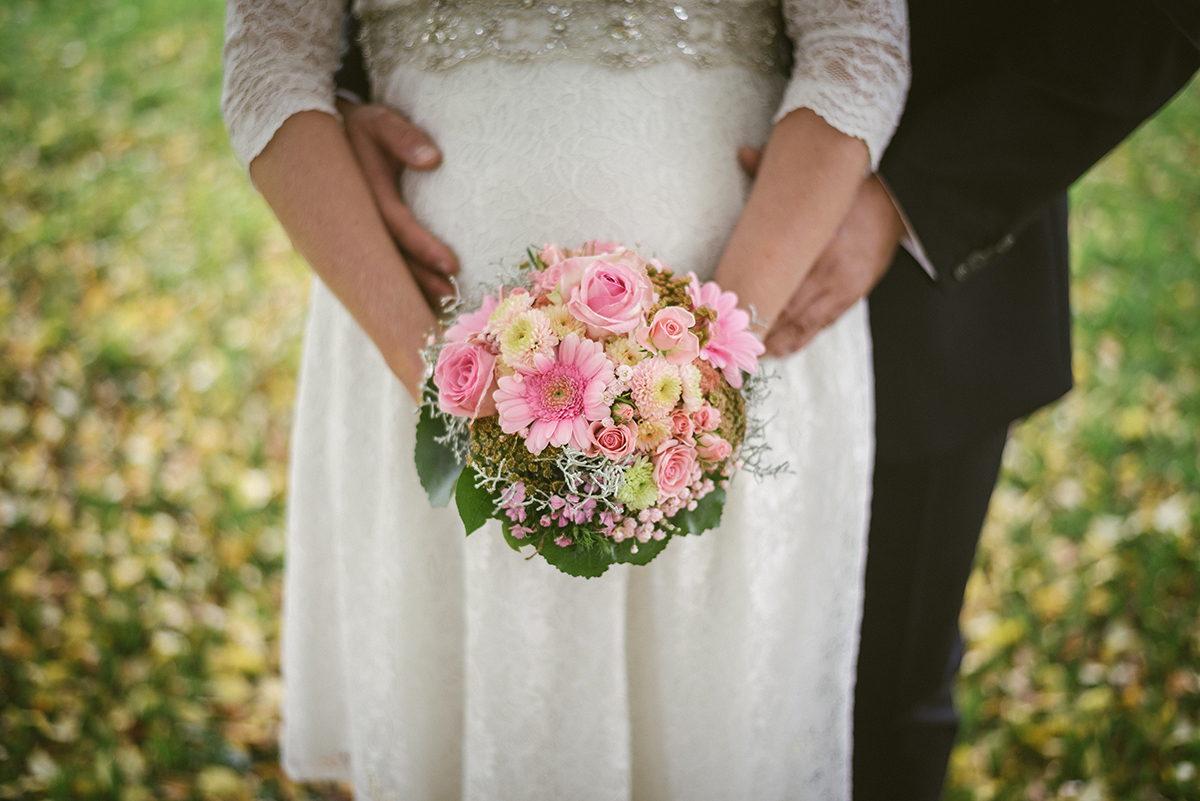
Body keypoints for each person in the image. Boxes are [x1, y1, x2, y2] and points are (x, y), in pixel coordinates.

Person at [332, 1, 1200, 798]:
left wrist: (911, 197)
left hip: (897, 274)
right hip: (455, 270)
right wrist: (347, 96)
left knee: (858, 708)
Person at [221, 0, 908, 798]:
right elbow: (269, 62)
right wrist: (436, 381)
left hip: (736, 340)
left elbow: (856, 42)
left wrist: (707, 360)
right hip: (411, 342)